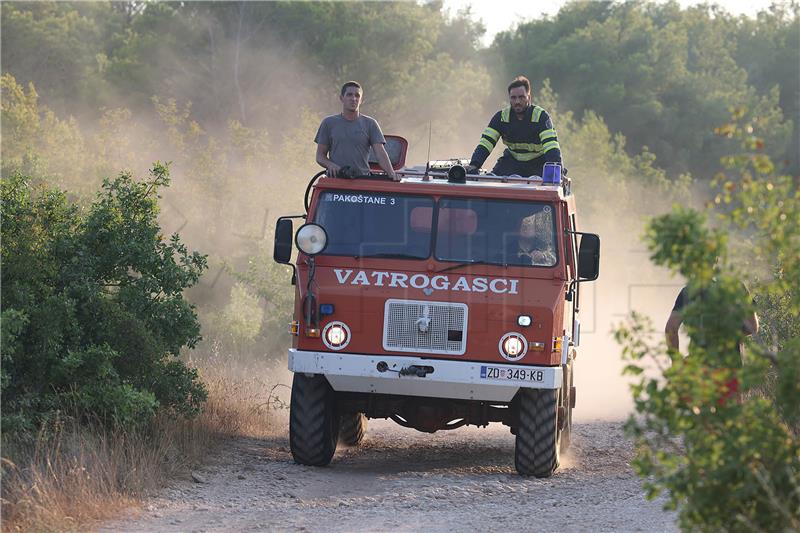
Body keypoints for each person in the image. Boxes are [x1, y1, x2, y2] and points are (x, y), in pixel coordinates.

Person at [467, 76, 562, 178]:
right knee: (492, 180)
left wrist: (557, 171)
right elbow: (486, 143)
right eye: (513, 98)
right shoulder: (501, 117)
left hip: (538, 163)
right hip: (511, 162)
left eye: (521, 97)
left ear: (529, 98)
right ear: (509, 98)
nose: (517, 102)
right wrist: (474, 164)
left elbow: (551, 147)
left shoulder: (541, 117)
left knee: (549, 182)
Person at [315, 81, 397, 180]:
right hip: (335, 181)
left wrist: (391, 173)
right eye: (349, 95)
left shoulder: (370, 124)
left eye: (357, 96)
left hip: (362, 181)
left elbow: (380, 153)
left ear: (361, 100)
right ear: (341, 98)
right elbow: (320, 156)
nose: (353, 99)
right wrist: (331, 165)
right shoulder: (328, 123)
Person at [665, 281, 759, 359]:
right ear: (716, 259)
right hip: (731, 366)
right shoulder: (735, 287)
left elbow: (671, 328)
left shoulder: (688, 292)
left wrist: (676, 363)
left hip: (698, 366)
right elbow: (752, 327)